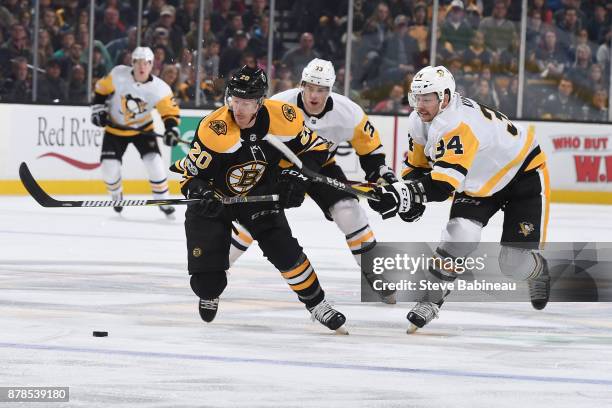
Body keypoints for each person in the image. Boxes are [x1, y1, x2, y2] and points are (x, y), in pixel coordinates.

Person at [367, 65, 551, 333]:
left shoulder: (458, 123)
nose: (420, 104)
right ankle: (430, 301)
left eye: (427, 98)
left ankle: (539, 271)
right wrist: (405, 196)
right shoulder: (420, 119)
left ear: (444, 97)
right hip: (477, 181)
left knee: (514, 265)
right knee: (459, 235)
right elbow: (419, 167)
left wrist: (404, 196)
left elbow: (442, 187)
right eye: (417, 97)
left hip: (522, 177)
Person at [173, 65, 348, 334]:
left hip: (259, 195)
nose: (239, 109)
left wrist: (297, 176)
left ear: (260, 102)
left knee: (286, 251)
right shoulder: (214, 129)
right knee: (207, 284)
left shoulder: (284, 118)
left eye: (247, 102)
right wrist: (201, 193)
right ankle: (210, 290)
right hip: (216, 198)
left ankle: (318, 304)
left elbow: (316, 148)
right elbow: (190, 177)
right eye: (235, 100)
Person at [228, 59, 399, 304]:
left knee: (349, 211)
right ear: (301, 85)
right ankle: (219, 266)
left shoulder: (349, 112)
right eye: (309, 88)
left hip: (322, 167)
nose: (314, 95)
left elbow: (371, 152)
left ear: (330, 90)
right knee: (255, 215)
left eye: (321, 90)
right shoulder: (278, 104)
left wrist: (382, 175)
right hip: (281, 168)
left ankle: (377, 275)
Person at [90, 46, 181, 217]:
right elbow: (101, 89)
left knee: (154, 163)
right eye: (138, 62)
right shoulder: (118, 75)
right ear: (132, 62)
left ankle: (163, 200)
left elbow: (169, 112)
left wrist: (171, 129)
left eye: (146, 63)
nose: (142, 66)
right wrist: (98, 108)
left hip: (142, 129)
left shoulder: (160, 88)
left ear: (152, 64)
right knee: (109, 169)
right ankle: (117, 195)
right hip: (115, 128)